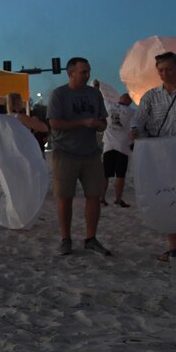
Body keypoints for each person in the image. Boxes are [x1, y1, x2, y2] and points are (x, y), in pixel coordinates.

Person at [48, 57, 110, 257]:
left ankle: (91, 238)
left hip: (91, 153)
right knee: (65, 197)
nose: (87, 75)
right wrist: (83, 122)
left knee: (94, 196)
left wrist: (100, 124)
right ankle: (66, 239)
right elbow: (55, 123)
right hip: (65, 153)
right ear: (71, 73)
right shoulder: (59, 95)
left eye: (88, 71)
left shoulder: (94, 94)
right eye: (83, 72)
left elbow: (103, 119)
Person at [131, 51, 176, 262]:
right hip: (162, 157)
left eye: (169, 69)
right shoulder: (150, 96)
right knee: (168, 198)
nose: (164, 73)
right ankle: (175, 247)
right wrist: (134, 132)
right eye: (160, 70)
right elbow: (138, 121)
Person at [101, 93, 133, 208]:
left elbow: (103, 94)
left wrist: (96, 85)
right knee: (120, 175)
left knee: (105, 174)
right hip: (123, 147)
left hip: (108, 146)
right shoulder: (131, 113)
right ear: (130, 102)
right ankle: (118, 199)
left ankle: (102, 198)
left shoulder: (109, 106)